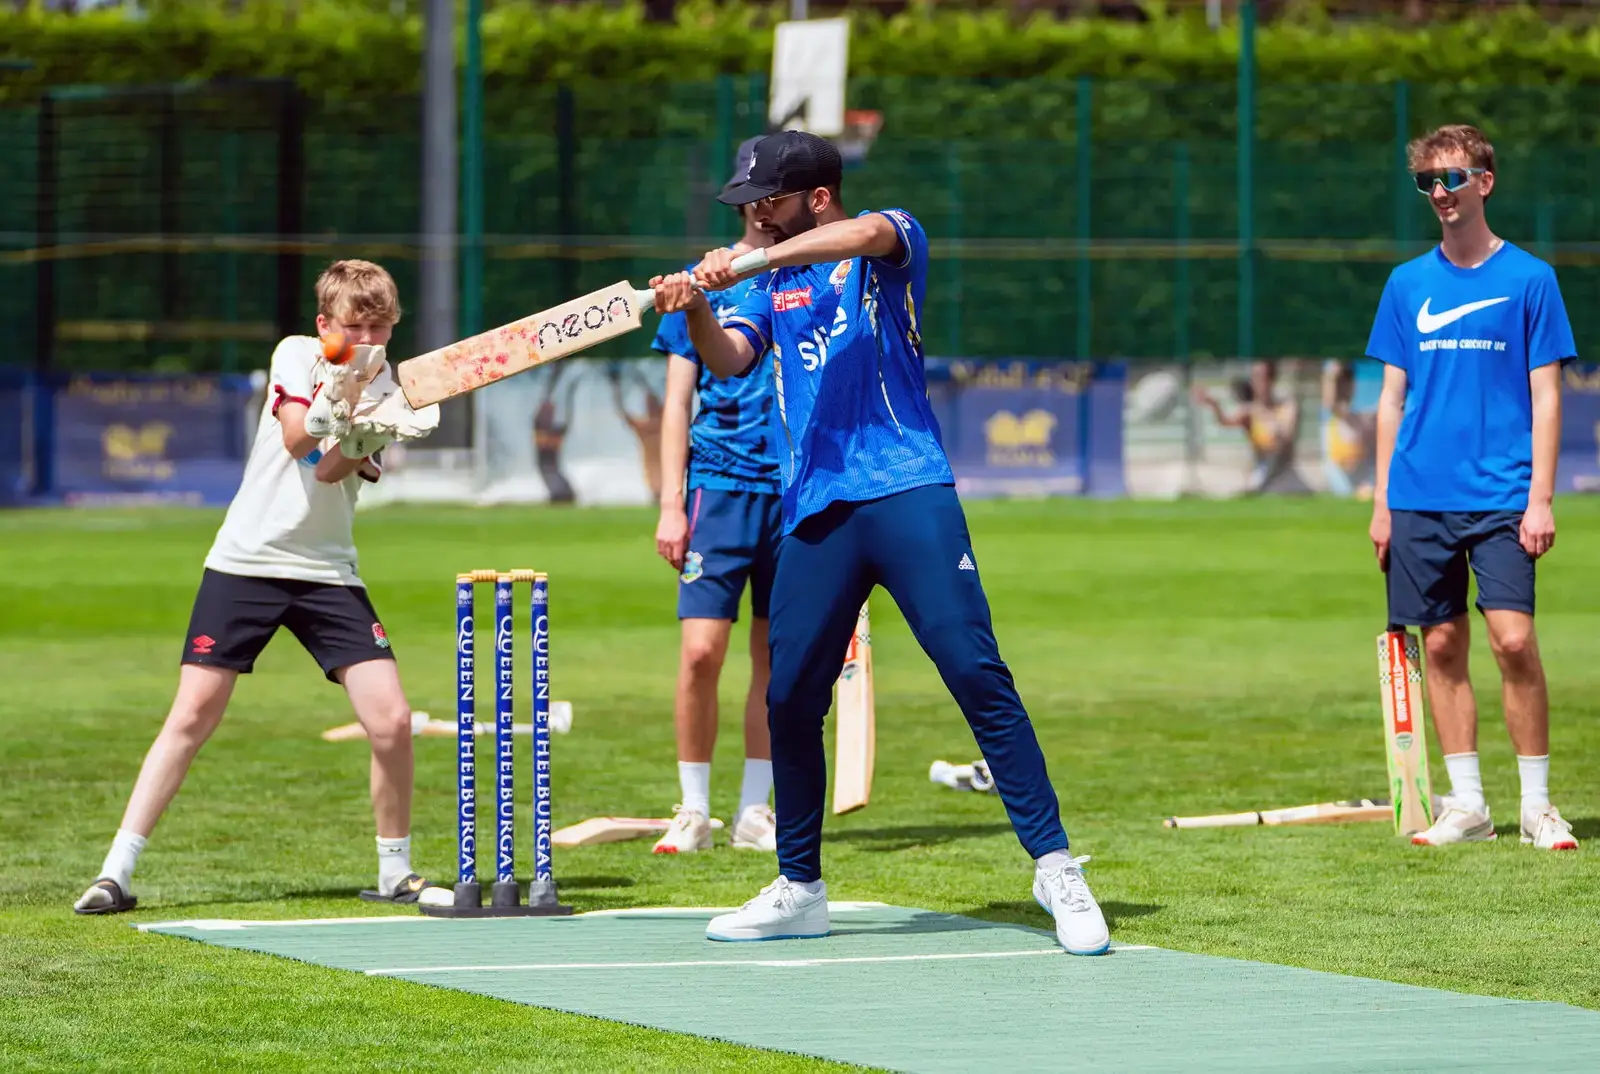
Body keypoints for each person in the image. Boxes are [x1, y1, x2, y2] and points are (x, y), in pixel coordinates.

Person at [650, 131, 1110, 955]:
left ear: (817, 197)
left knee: (974, 669)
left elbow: (866, 235)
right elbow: (727, 360)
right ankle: (799, 885)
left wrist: (741, 262)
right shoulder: (774, 279)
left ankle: (1054, 867)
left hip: (906, 488)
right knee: (790, 697)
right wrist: (694, 302)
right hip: (816, 509)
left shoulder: (886, 237)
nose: (754, 215)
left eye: (767, 200)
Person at [74, 259, 451, 914]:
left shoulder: (387, 380)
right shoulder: (299, 354)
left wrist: (380, 420)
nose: (364, 342)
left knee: (390, 721)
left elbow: (333, 470)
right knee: (192, 715)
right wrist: (342, 395)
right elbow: (298, 434)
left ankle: (395, 873)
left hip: (327, 571)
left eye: (379, 329)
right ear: (325, 324)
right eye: (352, 328)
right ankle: (116, 872)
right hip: (247, 560)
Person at [1365, 124, 1577, 851]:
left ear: (1484, 181)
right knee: (1444, 644)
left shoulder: (1531, 279)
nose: (1439, 194)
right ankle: (1470, 806)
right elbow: (1391, 400)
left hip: (1502, 493)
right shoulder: (1406, 284)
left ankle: (1538, 807)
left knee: (1513, 641)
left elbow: (1547, 396)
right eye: (1427, 182)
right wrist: (1381, 501)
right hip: (1420, 492)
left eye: (1451, 178)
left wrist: (1540, 497)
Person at [649, 137, 781, 855]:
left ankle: (755, 810)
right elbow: (677, 401)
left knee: (778, 659)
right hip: (719, 488)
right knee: (702, 653)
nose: (757, 207)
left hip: (795, 492)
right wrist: (672, 502)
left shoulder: (815, 275)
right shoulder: (705, 279)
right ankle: (694, 808)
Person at [1191, 360, 1307, 495]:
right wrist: (1214, 405)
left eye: (1264, 377)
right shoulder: (1250, 411)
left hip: (1284, 471)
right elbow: (1225, 422)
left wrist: (1266, 416)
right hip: (1263, 470)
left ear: (1272, 379)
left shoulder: (1287, 407)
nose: (1260, 382)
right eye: (1256, 377)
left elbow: (1286, 437)